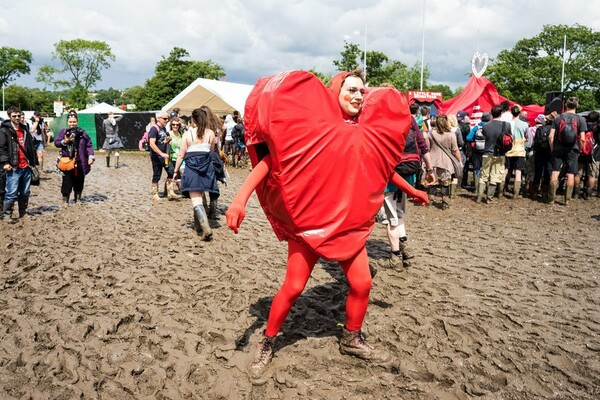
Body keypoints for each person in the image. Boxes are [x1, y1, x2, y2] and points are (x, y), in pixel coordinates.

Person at [225, 69, 429, 379]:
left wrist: (412, 189)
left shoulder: (367, 132)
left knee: (362, 283)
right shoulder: (312, 129)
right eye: (351, 89)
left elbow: (383, 168)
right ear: (335, 92)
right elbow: (271, 162)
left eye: (362, 91)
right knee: (293, 287)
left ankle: (352, 338)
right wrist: (240, 200)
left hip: (349, 224)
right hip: (309, 223)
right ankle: (268, 342)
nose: (358, 95)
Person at [378, 101, 435, 269]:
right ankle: (405, 248)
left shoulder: (380, 120)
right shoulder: (409, 119)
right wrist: (430, 170)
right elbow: (422, 145)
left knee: (391, 219)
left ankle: (395, 257)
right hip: (409, 172)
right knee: (399, 213)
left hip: (391, 174)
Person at [173, 108, 218, 241]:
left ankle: (205, 228)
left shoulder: (188, 134)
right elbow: (211, 151)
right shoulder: (211, 133)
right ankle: (199, 226)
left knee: (196, 199)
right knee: (201, 195)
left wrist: (175, 171)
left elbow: (181, 155)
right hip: (206, 167)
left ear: (192, 119)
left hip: (192, 167)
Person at [547, 97, 587, 205]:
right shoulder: (581, 119)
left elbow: (551, 136)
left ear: (565, 105)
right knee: (570, 174)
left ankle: (551, 199)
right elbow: (583, 138)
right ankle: (567, 200)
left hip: (558, 148)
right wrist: (580, 149)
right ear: (577, 106)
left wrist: (552, 148)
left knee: (555, 172)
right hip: (572, 149)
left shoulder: (557, 118)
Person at [0, 107, 37, 219]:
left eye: (18, 115)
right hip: (13, 167)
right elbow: (1, 148)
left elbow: (30, 147)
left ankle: (23, 213)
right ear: (9, 116)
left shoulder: (25, 129)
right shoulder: (4, 130)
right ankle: (7, 215)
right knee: (11, 192)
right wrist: (5, 162)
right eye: (14, 116)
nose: (17, 118)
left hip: (26, 166)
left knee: (25, 192)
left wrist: (33, 162)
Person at [55, 111, 95, 204]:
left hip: (80, 161)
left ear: (77, 121)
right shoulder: (63, 132)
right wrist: (64, 141)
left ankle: (78, 199)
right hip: (67, 161)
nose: (72, 124)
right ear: (67, 122)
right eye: (70, 122)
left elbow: (89, 145)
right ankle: (65, 201)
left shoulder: (82, 133)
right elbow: (56, 143)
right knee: (67, 182)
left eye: (74, 122)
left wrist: (91, 156)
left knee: (79, 181)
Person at [476, 105, 512, 204]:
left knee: (484, 176)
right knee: (494, 177)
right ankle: (489, 198)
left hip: (487, 153)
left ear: (491, 113)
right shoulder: (507, 125)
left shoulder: (486, 126)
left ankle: (479, 197)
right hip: (500, 154)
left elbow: (484, 136)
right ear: (501, 113)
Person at [426, 114, 462, 206]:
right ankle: (445, 202)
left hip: (433, 161)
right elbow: (455, 150)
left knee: (432, 182)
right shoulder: (451, 135)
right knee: (445, 184)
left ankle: (430, 201)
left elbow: (427, 148)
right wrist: (459, 161)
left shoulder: (431, 134)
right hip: (446, 163)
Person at [503, 105, 528, 198]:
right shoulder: (524, 124)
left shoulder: (506, 124)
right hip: (520, 151)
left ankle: (501, 191)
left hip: (508, 150)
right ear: (520, 113)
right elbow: (527, 138)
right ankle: (515, 193)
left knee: (505, 170)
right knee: (518, 172)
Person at [148, 111, 172, 200]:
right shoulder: (154, 129)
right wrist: (161, 153)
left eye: (167, 118)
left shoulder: (164, 128)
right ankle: (155, 194)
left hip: (165, 155)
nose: (167, 120)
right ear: (158, 118)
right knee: (157, 174)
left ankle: (169, 191)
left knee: (171, 171)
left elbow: (161, 141)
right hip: (157, 156)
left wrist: (166, 141)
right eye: (165, 118)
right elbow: (152, 143)